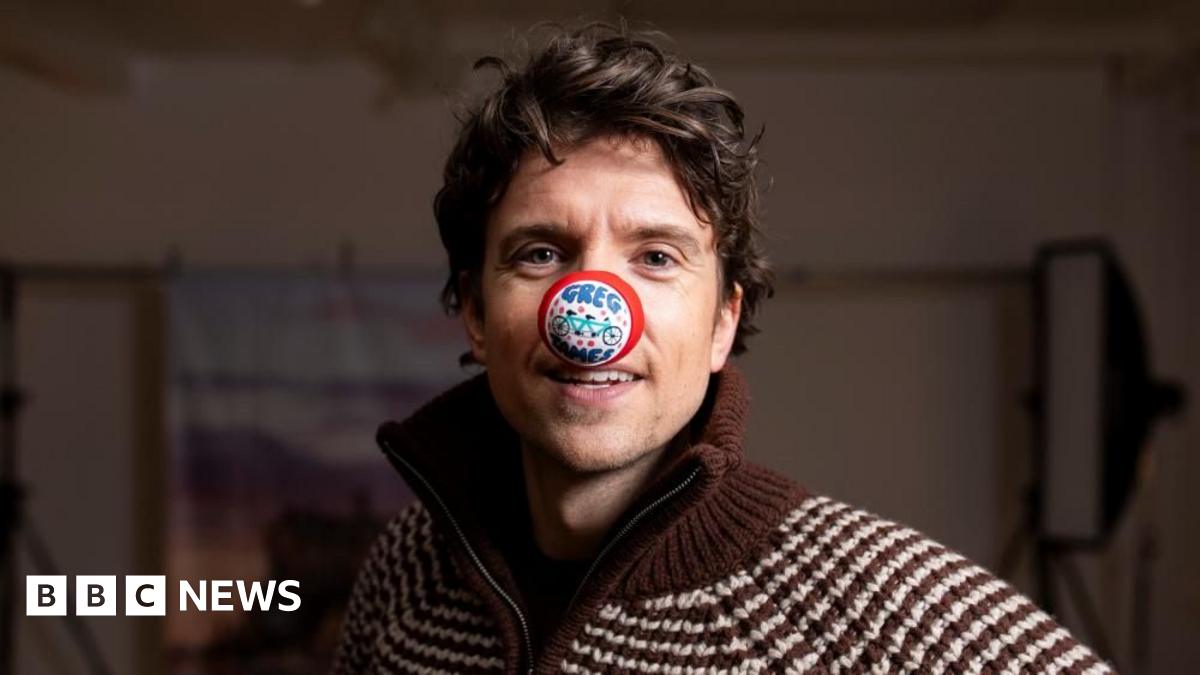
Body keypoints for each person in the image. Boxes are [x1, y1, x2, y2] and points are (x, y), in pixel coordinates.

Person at [331, 23, 1112, 674]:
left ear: (722, 324)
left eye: (655, 257)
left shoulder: (876, 612)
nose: (593, 314)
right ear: (475, 310)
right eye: (541, 253)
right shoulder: (407, 572)